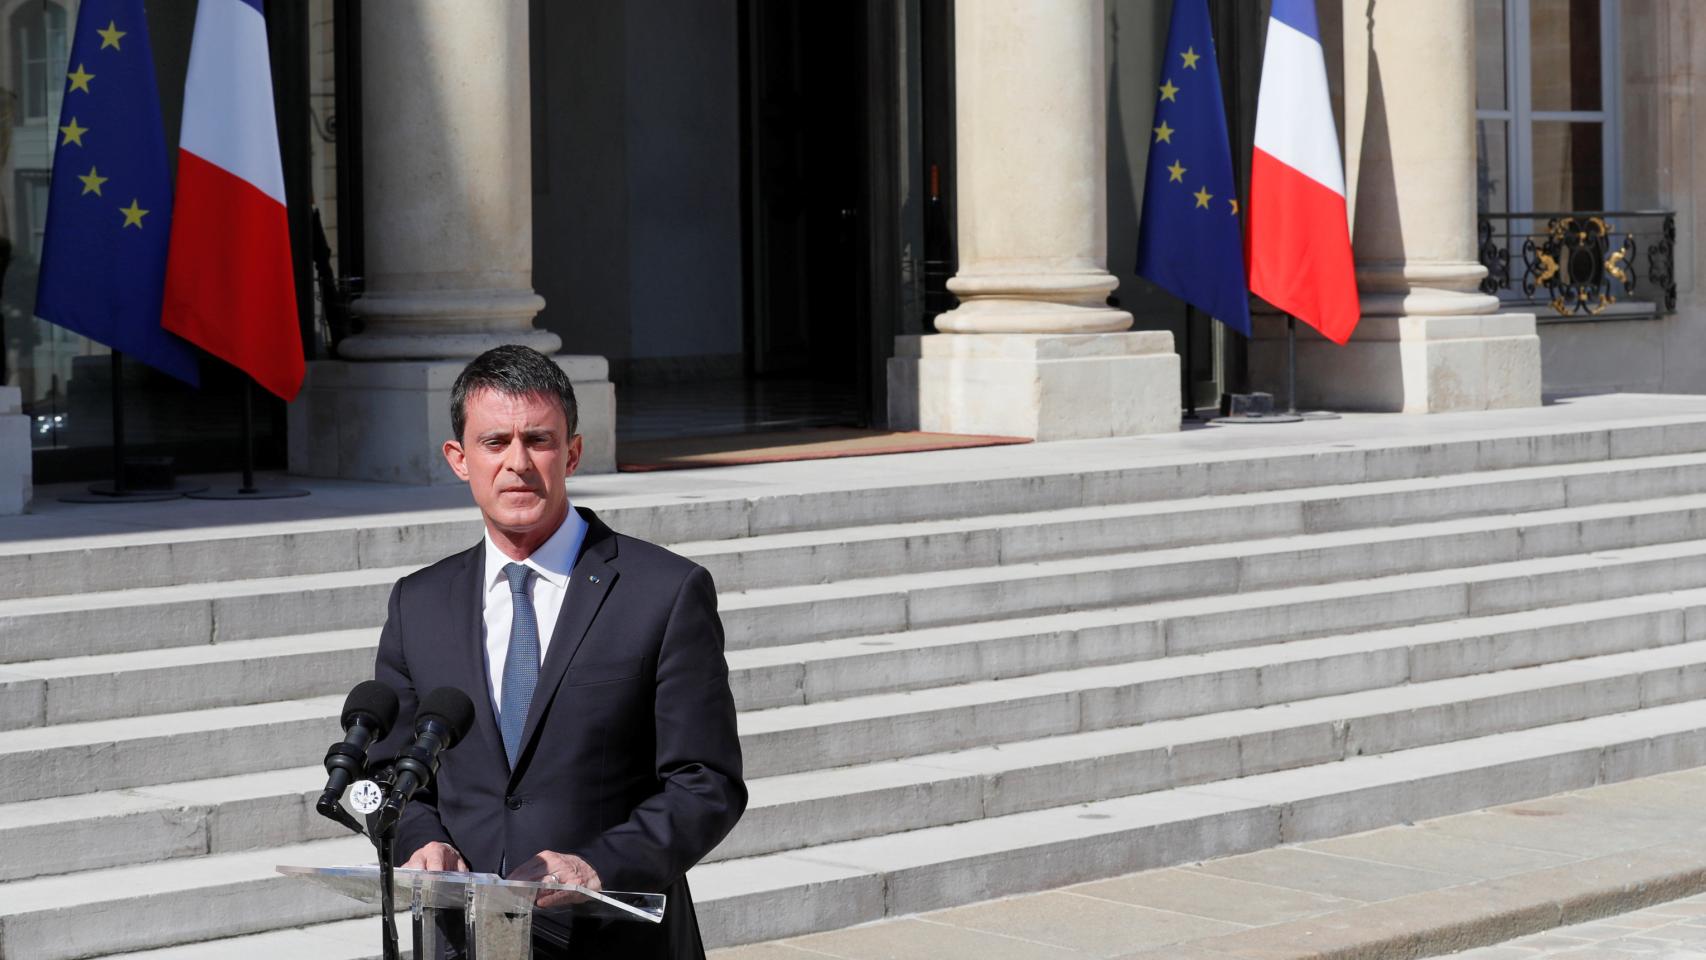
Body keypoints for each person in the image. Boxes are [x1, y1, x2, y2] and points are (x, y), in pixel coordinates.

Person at [371, 344, 746, 958]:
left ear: (572, 452)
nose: (517, 463)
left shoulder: (664, 591)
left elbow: (707, 782)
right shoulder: (419, 603)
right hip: (462, 940)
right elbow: (391, 770)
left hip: (612, 939)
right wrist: (419, 840)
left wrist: (597, 867)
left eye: (538, 440)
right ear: (459, 459)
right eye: (495, 442)